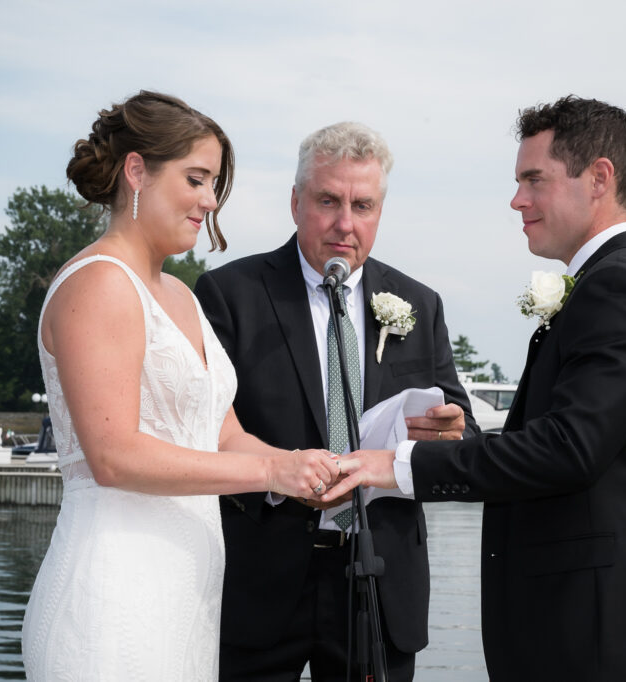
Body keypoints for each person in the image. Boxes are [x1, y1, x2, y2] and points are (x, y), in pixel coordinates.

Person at [325, 96, 626, 681]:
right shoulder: (618, 284)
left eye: (534, 179)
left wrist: (399, 465)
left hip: (596, 630)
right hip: (594, 621)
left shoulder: (622, 291)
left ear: (600, 177)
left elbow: (568, 450)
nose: (517, 200)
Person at [20, 90, 349, 680]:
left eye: (214, 183)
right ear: (137, 169)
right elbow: (113, 455)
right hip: (113, 595)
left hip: (186, 600)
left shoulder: (181, 296)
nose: (209, 201)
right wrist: (272, 474)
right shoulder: (98, 283)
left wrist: (305, 465)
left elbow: (224, 436)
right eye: (196, 179)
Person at [194, 121, 478, 681]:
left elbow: (460, 436)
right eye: (328, 200)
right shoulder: (230, 295)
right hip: (259, 580)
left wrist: (449, 432)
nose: (345, 223)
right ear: (296, 202)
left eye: (363, 205)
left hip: (378, 583)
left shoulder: (421, 304)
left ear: (380, 211)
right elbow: (201, 432)